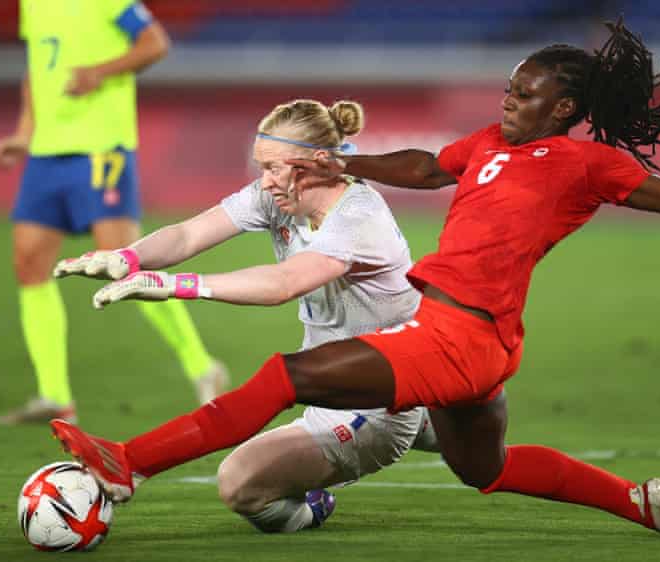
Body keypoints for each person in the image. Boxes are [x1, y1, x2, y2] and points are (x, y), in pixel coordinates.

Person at [50, 20, 660, 538]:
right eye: (510, 85)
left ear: (564, 108)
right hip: (481, 344)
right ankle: (637, 504)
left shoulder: (587, 163)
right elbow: (423, 167)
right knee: (486, 470)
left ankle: (127, 465)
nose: (509, 98)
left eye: (525, 92)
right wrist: (348, 162)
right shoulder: (488, 143)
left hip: (458, 335)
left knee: (286, 375)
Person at [55, 98, 439, 533]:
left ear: (317, 163)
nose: (265, 181)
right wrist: (128, 258)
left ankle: (313, 505)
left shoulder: (358, 218)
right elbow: (187, 234)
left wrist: (180, 286)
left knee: (240, 485)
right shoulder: (277, 195)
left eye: (274, 167)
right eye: (261, 167)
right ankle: (440, 421)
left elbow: (283, 284)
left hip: (372, 404)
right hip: (332, 381)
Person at [0, 0, 227, 424]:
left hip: (101, 148)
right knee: (28, 263)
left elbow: (155, 43)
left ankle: (203, 367)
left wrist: (99, 72)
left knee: (123, 264)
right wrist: (25, 134)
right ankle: (55, 396)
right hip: (46, 154)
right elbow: (36, 71)